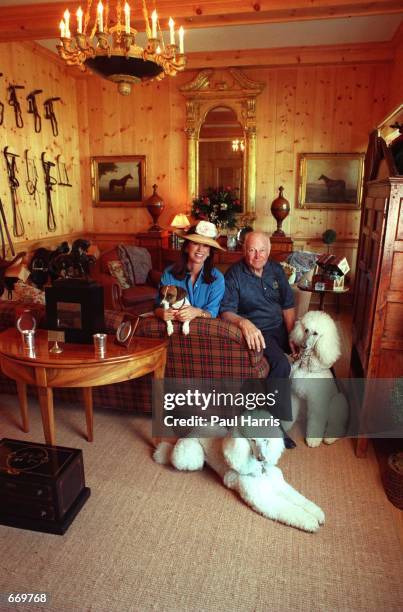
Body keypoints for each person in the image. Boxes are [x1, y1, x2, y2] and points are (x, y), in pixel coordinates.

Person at [220, 231, 297, 446]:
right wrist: (244, 323)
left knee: (311, 351)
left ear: (269, 251)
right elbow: (225, 311)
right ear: (244, 251)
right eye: (252, 250)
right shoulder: (234, 274)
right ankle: (276, 425)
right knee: (282, 365)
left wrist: (293, 335)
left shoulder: (275, 270)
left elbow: (288, 304)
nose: (257, 255)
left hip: (281, 327)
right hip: (260, 333)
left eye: (262, 250)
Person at [155, 220, 225, 324]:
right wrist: (161, 313)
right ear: (187, 247)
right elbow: (157, 305)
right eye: (195, 243)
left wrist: (197, 312)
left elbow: (213, 313)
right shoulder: (169, 273)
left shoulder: (217, 278)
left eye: (206, 245)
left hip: (202, 332)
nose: (200, 249)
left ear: (209, 252)